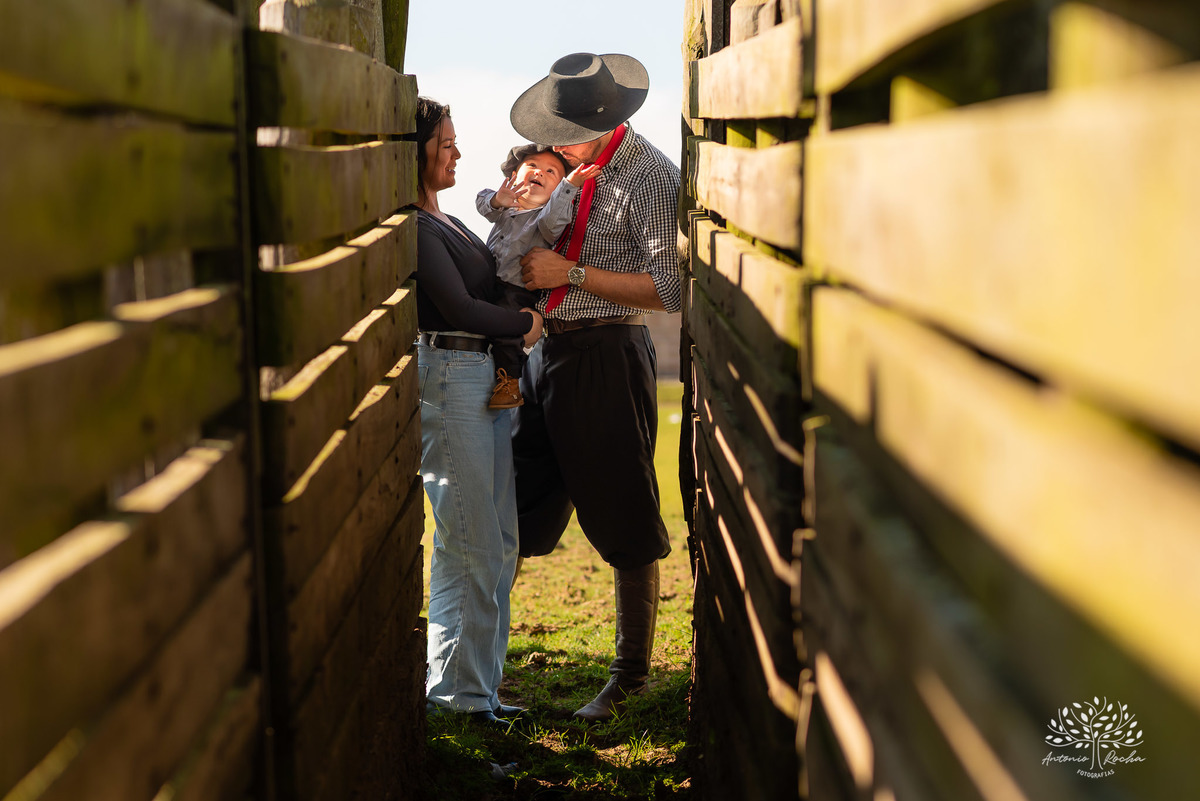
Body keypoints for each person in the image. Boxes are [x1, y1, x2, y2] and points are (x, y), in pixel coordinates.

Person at [508, 53, 682, 722]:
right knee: (514, 512)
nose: (552, 143)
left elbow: (669, 288)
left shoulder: (650, 177)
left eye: (562, 130)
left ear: (604, 122)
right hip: (545, 355)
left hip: (607, 354)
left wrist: (568, 273)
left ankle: (629, 676)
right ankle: (480, 664)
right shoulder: (572, 173)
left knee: (624, 518)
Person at [411, 96, 544, 726]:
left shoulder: (450, 220)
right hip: (450, 376)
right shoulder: (411, 224)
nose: (459, 153)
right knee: (471, 545)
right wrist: (523, 322)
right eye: (446, 144)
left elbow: (487, 286)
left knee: (500, 541)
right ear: (417, 153)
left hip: (481, 380)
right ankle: (458, 702)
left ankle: (479, 690)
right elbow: (463, 309)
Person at [475, 146, 600, 409]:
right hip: (488, 282)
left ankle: (509, 382)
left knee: (510, 329)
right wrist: (499, 199)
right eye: (531, 165)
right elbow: (483, 203)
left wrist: (570, 185)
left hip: (516, 288)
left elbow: (553, 222)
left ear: (556, 192)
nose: (539, 172)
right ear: (513, 173)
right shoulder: (504, 208)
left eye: (551, 172)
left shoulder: (545, 218)